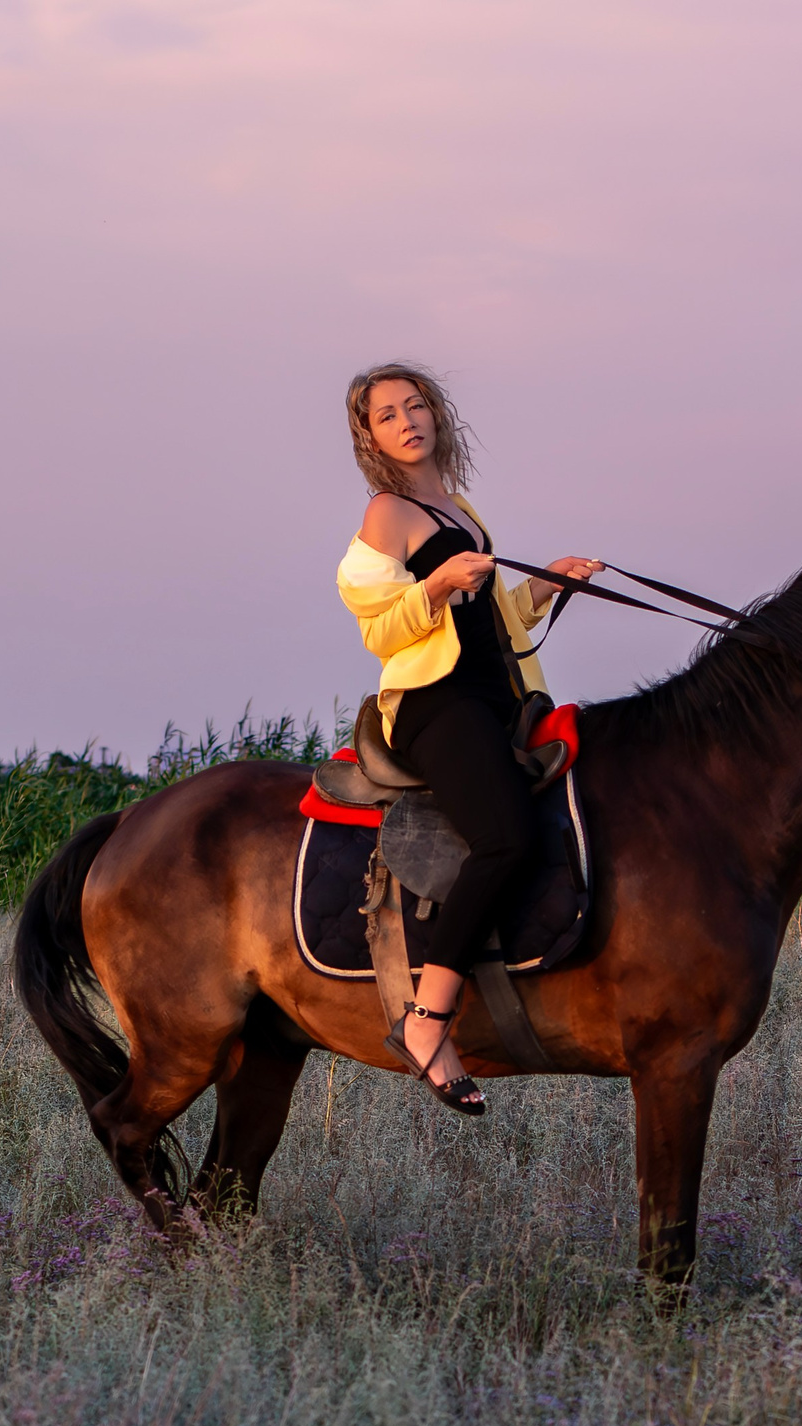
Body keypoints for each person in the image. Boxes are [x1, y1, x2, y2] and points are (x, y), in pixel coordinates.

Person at [337, 363, 600, 1114]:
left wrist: (544, 584)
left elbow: (483, 618)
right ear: (371, 435)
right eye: (387, 413)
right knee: (505, 837)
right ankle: (427, 1020)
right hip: (433, 702)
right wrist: (435, 584)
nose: (407, 419)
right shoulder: (385, 514)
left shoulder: (456, 505)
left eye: (416, 404)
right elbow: (381, 628)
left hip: (492, 694)